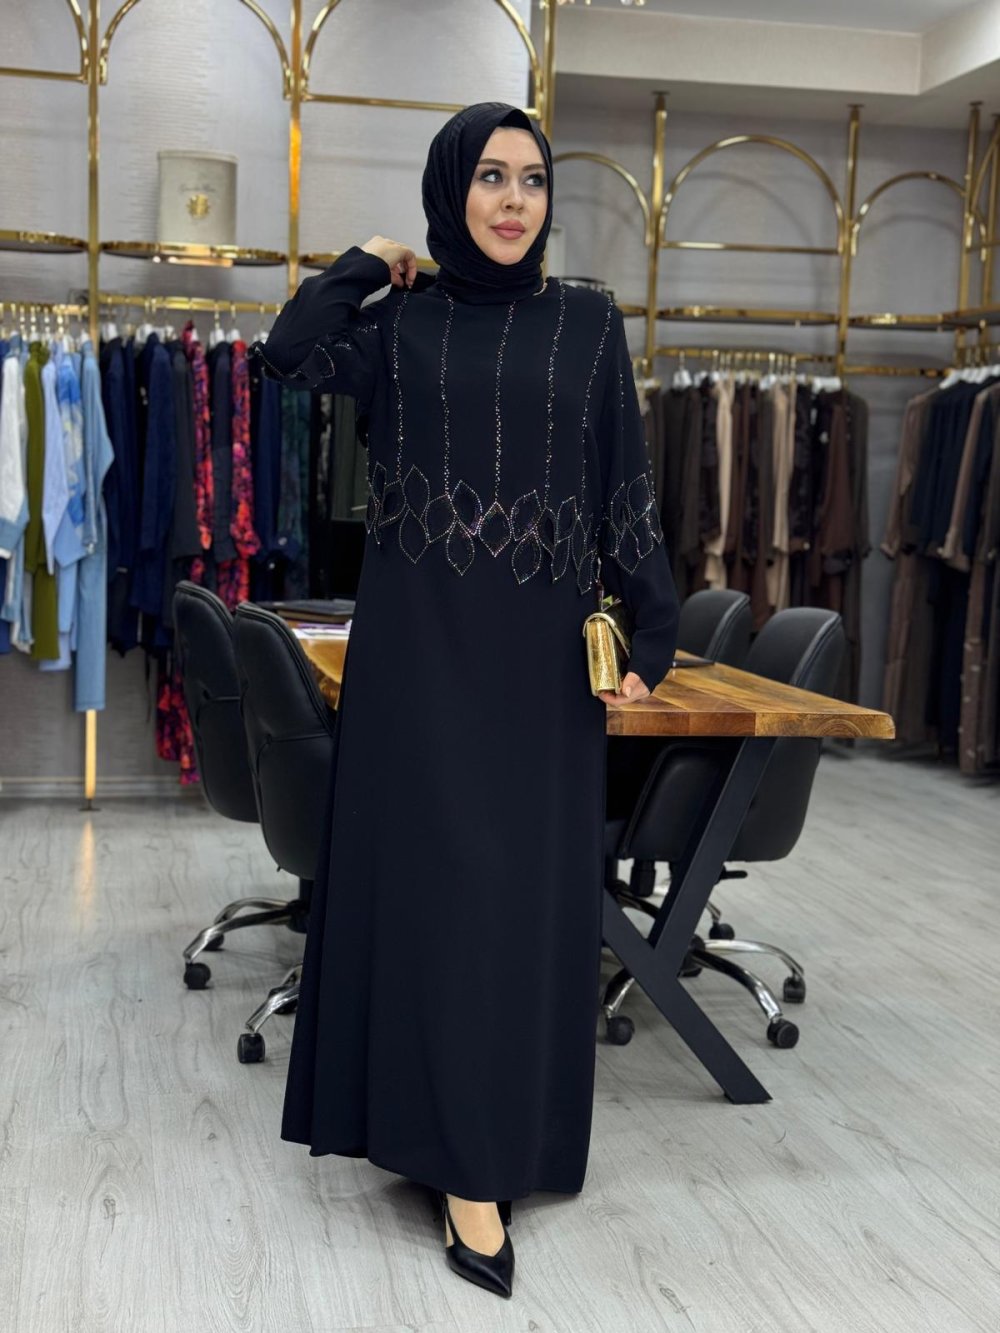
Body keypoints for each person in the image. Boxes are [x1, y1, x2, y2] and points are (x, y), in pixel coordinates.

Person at [249, 101, 679, 1301]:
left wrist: (652, 627)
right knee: (437, 897)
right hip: (419, 656)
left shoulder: (587, 322)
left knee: (525, 905)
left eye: (532, 180)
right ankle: (457, 1162)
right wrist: (364, 260)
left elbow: (624, 481)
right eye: (489, 177)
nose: (512, 200)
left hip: (541, 665)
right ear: (451, 190)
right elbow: (286, 354)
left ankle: (506, 1133)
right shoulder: (400, 326)